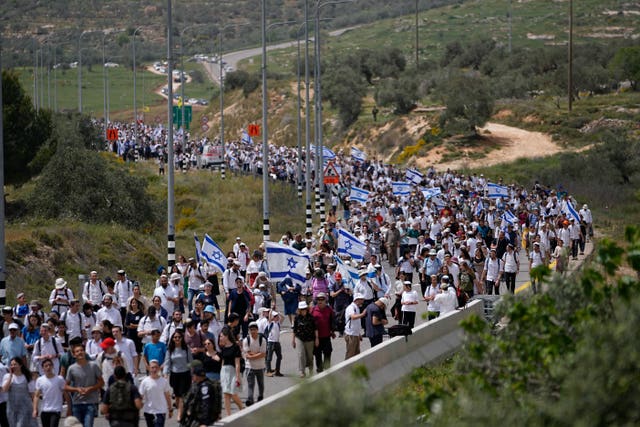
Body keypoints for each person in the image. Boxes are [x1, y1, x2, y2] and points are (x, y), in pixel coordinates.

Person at [64, 344, 104, 427]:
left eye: (81, 350)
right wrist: (77, 389)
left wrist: (91, 388)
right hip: (77, 402)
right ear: (74, 354)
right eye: (77, 351)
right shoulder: (71, 368)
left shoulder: (94, 366)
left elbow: (101, 383)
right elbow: (65, 386)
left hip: (91, 402)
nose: (80, 352)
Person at [163, 330, 192, 422]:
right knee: (177, 396)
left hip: (185, 374)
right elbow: (167, 362)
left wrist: (193, 374)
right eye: (175, 337)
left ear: (182, 338)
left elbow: (191, 361)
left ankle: (180, 414)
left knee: (183, 394)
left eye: (179, 337)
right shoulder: (170, 349)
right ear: (173, 339)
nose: (177, 339)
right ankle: (184, 409)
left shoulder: (186, 348)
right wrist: (165, 373)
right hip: (175, 374)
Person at [33, 358, 67, 427]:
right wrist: (35, 409)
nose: (48, 367)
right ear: (43, 368)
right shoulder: (40, 380)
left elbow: (65, 393)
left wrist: (69, 408)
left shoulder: (59, 379)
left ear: (52, 366)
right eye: (46, 366)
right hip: (44, 410)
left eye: (50, 365)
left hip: (56, 410)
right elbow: (36, 396)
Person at [138, 359, 172, 427]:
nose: (154, 369)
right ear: (149, 369)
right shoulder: (145, 382)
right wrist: (137, 410)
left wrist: (170, 409)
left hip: (161, 411)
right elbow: (140, 397)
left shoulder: (164, 381)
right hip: (148, 411)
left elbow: (167, 396)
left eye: (156, 367)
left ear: (159, 368)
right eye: (152, 367)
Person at [2, 357, 34, 427]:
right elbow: (4, 389)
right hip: (12, 408)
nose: (13, 366)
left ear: (20, 365)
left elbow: (32, 394)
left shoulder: (27, 376)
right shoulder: (7, 376)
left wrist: (34, 408)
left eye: (15, 364)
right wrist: (10, 376)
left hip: (25, 407)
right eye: (11, 365)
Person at [218, 327, 243, 417]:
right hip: (224, 371)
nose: (220, 338)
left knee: (233, 393)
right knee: (226, 394)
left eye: (221, 336)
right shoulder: (223, 347)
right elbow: (223, 361)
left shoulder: (235, 347)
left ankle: (242, 408)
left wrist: (237, 376)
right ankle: (229, 416)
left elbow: (237, 363)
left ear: (226, 336)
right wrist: (221, 373)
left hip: (233, 371)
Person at [242, 322, 266, 406]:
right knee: (250, 384)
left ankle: (260, 396)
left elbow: (263, 354)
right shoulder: (246, 340)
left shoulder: (262, 340)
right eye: (251, 330)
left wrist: (252, 356)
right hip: (250, 366)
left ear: (257, 330)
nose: (253, 332)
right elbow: (247, 353)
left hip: (260, 366)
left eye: (254, 330)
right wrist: (257, 354)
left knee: (261, 384)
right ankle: (250, 399)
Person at [310, 292, 335, 373]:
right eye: (318, 299)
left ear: (325, 300)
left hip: (326, 335)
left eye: (322, 299)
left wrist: (332, 331)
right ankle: (319, 369)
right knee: (317, 354)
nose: (320, 301)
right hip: (317, 337)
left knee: (328, 351)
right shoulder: (313, 310)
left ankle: (327, 367)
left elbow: (332, 321)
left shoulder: (329, 309)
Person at [292, 301, 317, 378]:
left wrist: (317, 339)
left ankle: (311, 369)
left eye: (304, 309)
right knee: (301, 354)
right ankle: (302, 371)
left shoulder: (311, 317)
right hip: (300, 338)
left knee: (310, 355)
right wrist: (293, 340)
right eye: (302, 309)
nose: (303, 310)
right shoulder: (296, 318)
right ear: (299, 310)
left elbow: (315, 329)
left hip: (310, 339)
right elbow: (294, 329)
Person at [344, 294, 367, 360]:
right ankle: (346, 368)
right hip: (351, 334)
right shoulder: (351, 308)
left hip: (355, 334)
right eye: (361, 300)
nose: (363, 301)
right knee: (350, 354)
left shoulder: (356, 308)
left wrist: (358, 334)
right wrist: (363, 314)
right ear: (357, 300)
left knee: (356, 354)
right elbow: (353, 317)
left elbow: (356, 323)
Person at [264, 311, 283, 377]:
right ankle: (268, 371)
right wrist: (271, 311)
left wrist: (278, 313)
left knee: (279, 357)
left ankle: (277, 371)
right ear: (272, 317)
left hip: (277, 342)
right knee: (269, 358)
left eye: (277, 316)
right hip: (271, 342)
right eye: (275, 316)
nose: (277, 317)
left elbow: (283, 318)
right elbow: (269, 318)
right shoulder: (270, 323)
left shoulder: (278, 323)